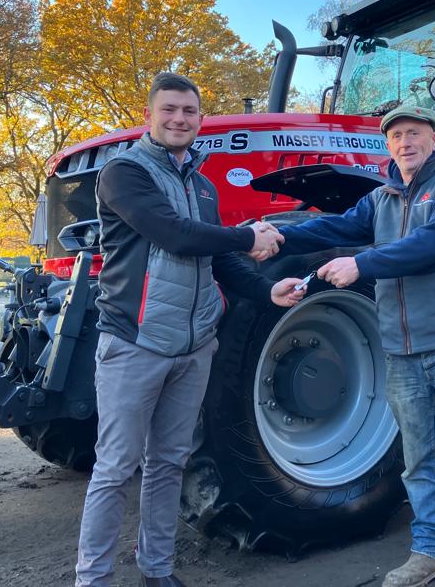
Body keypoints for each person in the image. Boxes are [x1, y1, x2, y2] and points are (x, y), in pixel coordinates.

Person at [275, 104, 435, 587]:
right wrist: (276, 236)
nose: (405, 142)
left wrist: (363, 264)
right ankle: (432, 554)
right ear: (388, 146)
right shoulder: (381, 199)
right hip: (401, 352)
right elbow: (331, 228)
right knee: (419, 461)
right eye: (395, 136)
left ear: (433, 140)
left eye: (414, 133)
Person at [75, 72, 305, 587]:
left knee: (168, 464)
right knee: (115, 468)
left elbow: (216, 257)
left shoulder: (201, 185)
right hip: (135, 342)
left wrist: (265, 291)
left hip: (194, 346)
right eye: (169, 110)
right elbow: (174, 236)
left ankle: (156, 570)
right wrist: (249, 234)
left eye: (189, 112)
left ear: (200, 119)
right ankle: (93, 579)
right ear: (150, 115)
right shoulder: (123, 173)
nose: (179, 119)